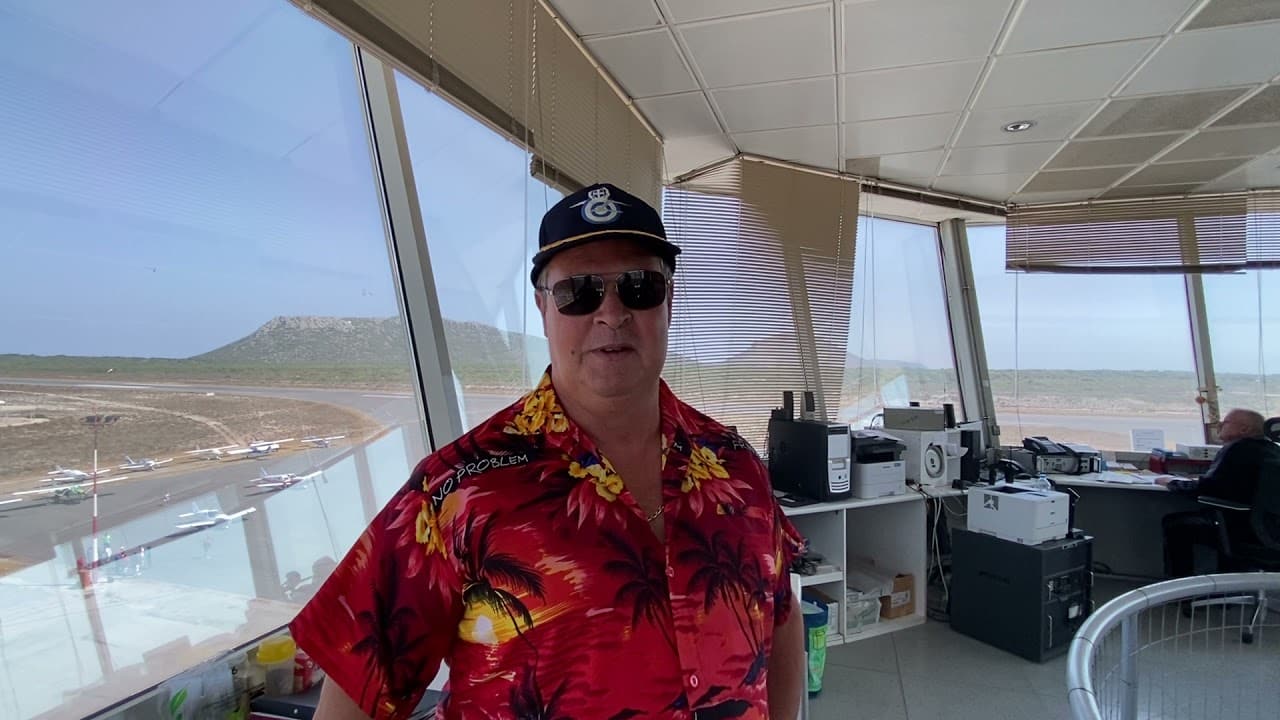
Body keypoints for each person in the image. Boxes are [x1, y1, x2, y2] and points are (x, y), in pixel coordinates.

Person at [291, 183, 806, 720]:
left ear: (669, 302)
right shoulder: (457, 490)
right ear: (543, 308)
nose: (612, 313)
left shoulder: (737, 465)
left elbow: (781, 614)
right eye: (579, 292)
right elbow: (356, 688)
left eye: (639, 286)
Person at [1157, 408, 1279, 577]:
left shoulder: (1238, 448)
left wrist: (1171, 482)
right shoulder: (1272, 450)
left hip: (1247, 532)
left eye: (1225, 422)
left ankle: (1180, 588)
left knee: (1176, 524)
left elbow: (1206, 489)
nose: (1220, 425)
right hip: (1270, 530)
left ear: (1244, 429)